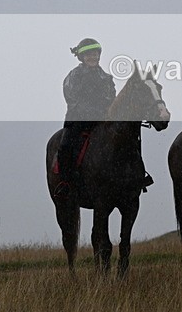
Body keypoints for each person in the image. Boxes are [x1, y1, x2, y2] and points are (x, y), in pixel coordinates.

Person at [53, 38, 153, 198]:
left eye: (95, 53)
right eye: (88, 54)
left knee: (131, 140)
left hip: (103, 121)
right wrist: (96, 112)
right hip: (78, 121)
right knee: (65, 146)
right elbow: (74, 101)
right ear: (81, 57)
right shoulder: (74, 76)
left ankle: (138, 176)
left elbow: (111, 98)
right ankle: (65, 182)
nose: (92, 57)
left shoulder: (106, 78)